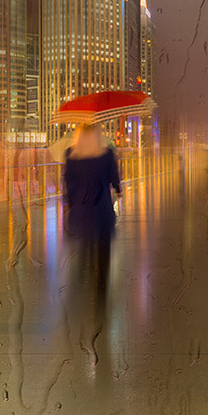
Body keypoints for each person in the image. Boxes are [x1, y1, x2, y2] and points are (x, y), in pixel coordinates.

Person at [63, 123, 122, 295]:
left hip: (81, 208)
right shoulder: (107, 155)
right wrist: (118, 189)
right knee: (104, 247)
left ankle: (81, 282)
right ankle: (101, 286)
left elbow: (68, 182)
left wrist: (69, 203)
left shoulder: (71, 155)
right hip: (101, 207)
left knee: (84, 244)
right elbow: (113, 177)